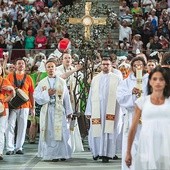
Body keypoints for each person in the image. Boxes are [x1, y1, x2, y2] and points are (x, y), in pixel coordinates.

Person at [125, 66, 170, 169]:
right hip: (147, 144)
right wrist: (128, 152)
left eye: (161, 79)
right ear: (149, 82)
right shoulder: (142, 102)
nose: (158, 82)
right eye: (154, 79)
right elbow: (133, 128)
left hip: (167, 144)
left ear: (166, 82)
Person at [33, 59, 73, 161]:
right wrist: (47, 94)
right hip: (47, 111)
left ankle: (62, 154)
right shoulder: (42, 82)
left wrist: (69, 111)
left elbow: (66, 97)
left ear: (55, 69)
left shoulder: (61, 81)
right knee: (50, 132)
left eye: (52, 67)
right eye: (49, 67)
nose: (51, 69)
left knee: (62, 132)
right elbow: (36, 96)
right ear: (46, 69)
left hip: (59, 110)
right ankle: (52, 155)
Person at [85, 57, 121, 163]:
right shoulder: (95, 79)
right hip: (98, 109)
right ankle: (96, 152)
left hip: (112, 109)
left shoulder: (117, 78)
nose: (105, 66)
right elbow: (91, 95)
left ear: (111, 65)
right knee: (96, 130)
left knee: (110, 131)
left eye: (107, 64)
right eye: (104, 64)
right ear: (100, 65)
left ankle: (108, 154)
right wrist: (89, 110)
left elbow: (120, 95)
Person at [116, 56, 149, 170]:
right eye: (135, 66)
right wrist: (132, 93)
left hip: (147, 117)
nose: (137, 67)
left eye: (140, 65)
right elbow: (120, 98)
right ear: (132, 67)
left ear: (144, 66)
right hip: (132, 116)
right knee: (131, 144)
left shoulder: (151, 80)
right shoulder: (126, 82)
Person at [5, 58, 35, 155]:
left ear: (25, 66)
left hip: (25, 106)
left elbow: (31, 94)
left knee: (22, 127)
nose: (21, 65)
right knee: (10, 126)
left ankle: (19, 147)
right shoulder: (9, 76)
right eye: (19, 63)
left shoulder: (29, 78)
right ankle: (9, 148)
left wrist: (33, 107)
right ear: (15, 65)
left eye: (22, 63)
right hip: (12, 105)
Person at [0, 65, 15, 160]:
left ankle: (0, 152)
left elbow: (12, 94)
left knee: (1, 130)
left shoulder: (4, 80)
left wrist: (4, 101)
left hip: (2, 108)